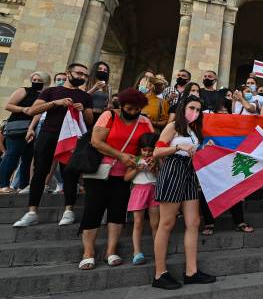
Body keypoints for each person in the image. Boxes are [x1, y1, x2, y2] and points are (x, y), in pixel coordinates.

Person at [78, 88, 154, 270]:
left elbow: (151, 143)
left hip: (126, 173)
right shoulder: (109, 116)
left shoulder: (144, 121)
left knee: (117, 211)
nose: (133, 112)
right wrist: (120, 155)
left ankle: (111, 251)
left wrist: (145, 159)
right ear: (122, 105)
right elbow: (96, 141)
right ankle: (88, 252)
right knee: (93, 209)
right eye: (129, 108)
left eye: (137, 109)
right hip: (100, 170)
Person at [13, 63, 93, 228]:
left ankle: (68, 210)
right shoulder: (50, 91)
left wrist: (83, 109)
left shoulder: (85, 96)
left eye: (85, 75)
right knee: (40, 172)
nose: (82, 77)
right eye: (79, 73)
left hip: (71, 139)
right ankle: (32, 212)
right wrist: (54, 103)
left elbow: (90, 120)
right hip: (48, 135)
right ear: (68, 73)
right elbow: (32, 110)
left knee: (69, 173)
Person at [152, 95, 215, 289]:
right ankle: (159, 274)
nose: (194, 113)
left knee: (194, 222)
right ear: (183, 107)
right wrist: (178, 146)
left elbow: (192, 151)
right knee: (167, 222)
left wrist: (204, 149)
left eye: (198, 110)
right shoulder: (173, 126)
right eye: (192, 108)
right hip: (173, 170)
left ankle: (191, 271)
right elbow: (156, 152)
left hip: (189, 172)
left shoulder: (194, 130)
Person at [200, 100, 253, 236]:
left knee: (233, 191)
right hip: (210, 163)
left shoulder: (234, 124)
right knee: (208, 191)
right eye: (220, 111)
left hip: (229, 161)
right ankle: (208, 223)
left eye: (226, 111)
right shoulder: (207, 122)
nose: (223, 114)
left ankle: (239, 222)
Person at [0, 71, 50, 193]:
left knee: (28, 158)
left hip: (35, 129)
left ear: (46, 82)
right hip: (17, 127)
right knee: (12, 154)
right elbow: (9, 105)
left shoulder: (46, 94)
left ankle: (23, 186)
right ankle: (3, 184)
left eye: (39, 80)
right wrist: (25, 109)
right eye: (34, 80)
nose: (36, 82)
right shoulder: (24, 90)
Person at [124, 132, 160, 266]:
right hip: (138, 190)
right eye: (144, 150)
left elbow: (159, 175)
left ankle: (158, 250)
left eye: (150, 151)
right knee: (138, 223)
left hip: (154, 190)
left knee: (155, 224)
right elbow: (126, 177)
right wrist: (137, 169)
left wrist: (153, 169)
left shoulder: (157, 159)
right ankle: (137, 252)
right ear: (140, 149)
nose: (147, 153)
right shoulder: (135, 159)